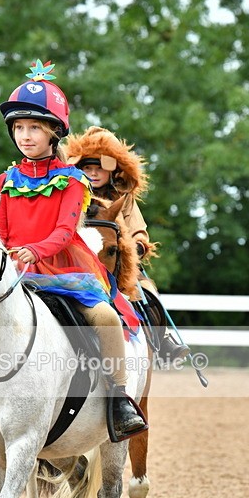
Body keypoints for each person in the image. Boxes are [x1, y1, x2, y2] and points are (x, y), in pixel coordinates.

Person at [0, 60, 147, 452]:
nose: (25, 136)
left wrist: (32, 251)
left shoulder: (74, 181)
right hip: (9, 270)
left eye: (34, 128)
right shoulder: (7, 179)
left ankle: (118, 401)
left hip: (62, 267)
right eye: (19, 128)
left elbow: (63, 232)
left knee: (106, 317)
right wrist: (6, 254)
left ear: (53, 131)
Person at [65, 126, 190, 362]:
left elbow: (138, 231)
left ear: (111, 171)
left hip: (119, 264)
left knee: (149, 291)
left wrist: (135, 248)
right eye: (87, 168)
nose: (93, 173)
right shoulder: (72, 194)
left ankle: (161, 341)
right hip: (78, 264)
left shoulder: (125, 198)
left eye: (99, 168)